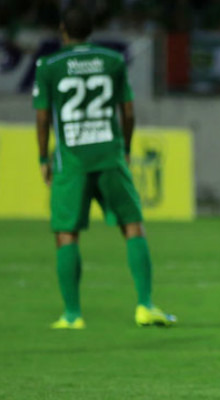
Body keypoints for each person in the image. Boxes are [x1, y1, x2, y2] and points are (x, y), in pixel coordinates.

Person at [33, 7, 176, 329]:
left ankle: (72, 315)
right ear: (91, 30)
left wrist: (43, 158)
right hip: (110, 156)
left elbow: (42, 117)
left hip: (71, 160)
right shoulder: (113, 61)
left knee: (66, 233)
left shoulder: (49, 66)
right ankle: (145, 305)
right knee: (132, 225)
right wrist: (125, 148)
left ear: (62, 31)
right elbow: (128, 112)